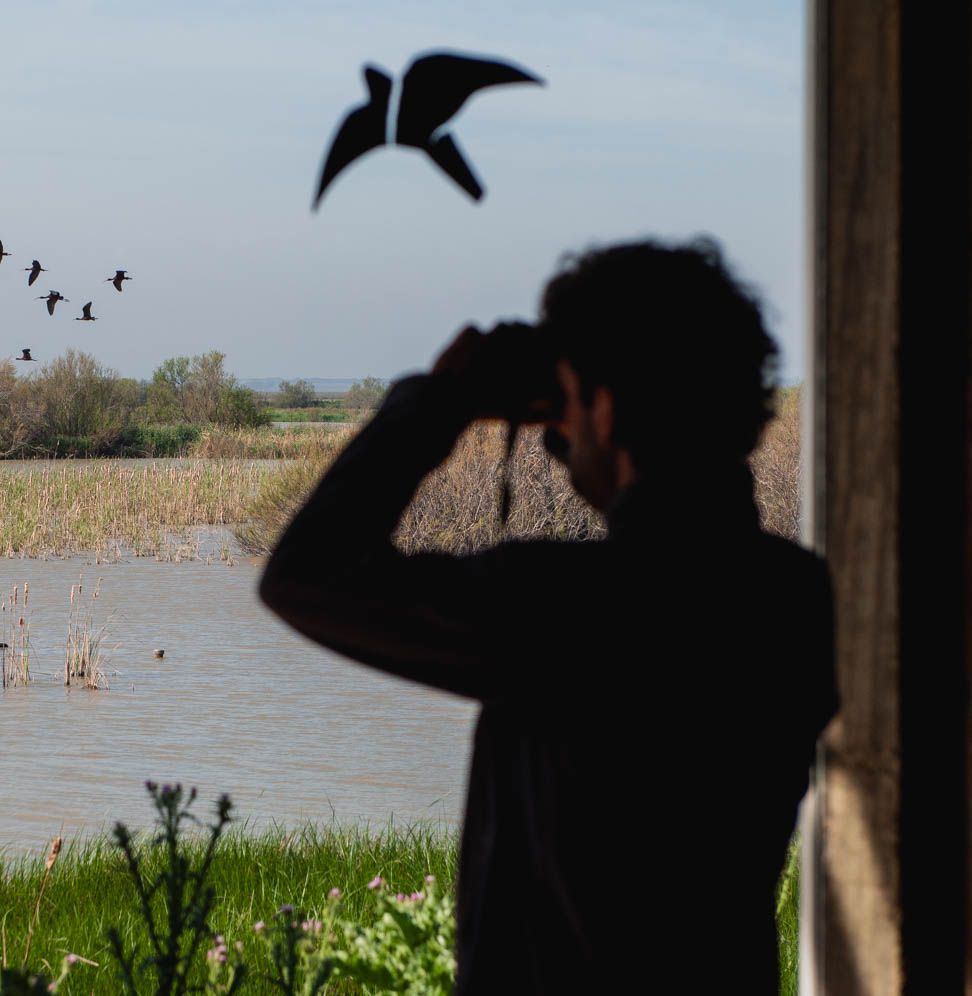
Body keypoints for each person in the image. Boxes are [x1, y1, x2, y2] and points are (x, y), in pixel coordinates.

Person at [258, 237, 838, 994]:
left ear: (604, 406)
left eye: (569, 404)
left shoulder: (568, 605)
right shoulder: (796, 594)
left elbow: (306, 576)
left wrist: (441, 400)